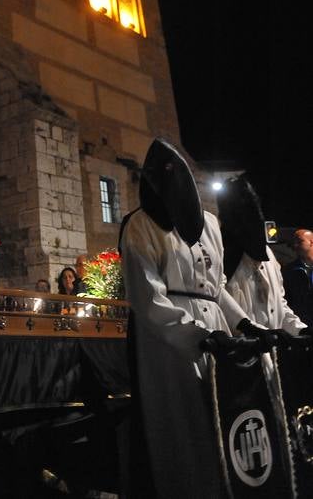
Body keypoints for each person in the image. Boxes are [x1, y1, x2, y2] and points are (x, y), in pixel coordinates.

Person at [120, 138, 253, 499]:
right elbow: (148, 299)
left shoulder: (209, 224)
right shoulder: (140, 226)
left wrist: (243, 323)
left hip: (218, 334)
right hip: (168, 343)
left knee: (223, 419)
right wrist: (196, 335)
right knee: (184, 425)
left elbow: (217, 286)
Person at [218, 176, 307, 336]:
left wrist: (299, 329)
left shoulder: (267, 255)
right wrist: (251, 330)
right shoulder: (221, 254)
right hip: (237, 353)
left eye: (251, 204)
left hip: (269, 356)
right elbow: (216, 303)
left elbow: (279, 303)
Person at [282, 228, 313, 328]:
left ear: (311, 242)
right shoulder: (288, 271)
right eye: (294, 242)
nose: (295, 245)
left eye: (299, 241)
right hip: (302, 327)